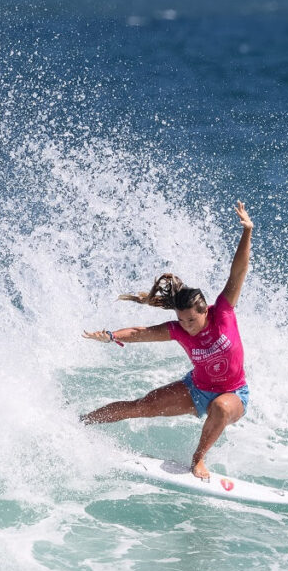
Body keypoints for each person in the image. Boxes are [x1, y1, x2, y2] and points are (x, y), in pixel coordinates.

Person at [82, 200, 253, 480]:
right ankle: (82, 422)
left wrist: (247, 231)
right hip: (196, 388)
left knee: (221, 408)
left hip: (234, 394)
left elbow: (238, 271)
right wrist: (111, 336)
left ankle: (198, 460)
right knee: (139, 407)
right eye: (181, 320)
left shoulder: (223, 312)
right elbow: (140, 333)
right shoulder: (178, 329)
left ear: (204, 311)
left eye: (191, 320)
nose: (186, 326)